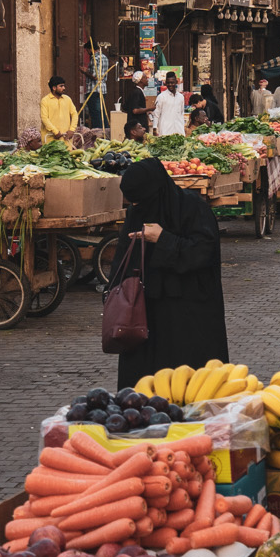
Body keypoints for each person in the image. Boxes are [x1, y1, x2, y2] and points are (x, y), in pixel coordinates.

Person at [111, 159, 229, 388]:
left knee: (190, 382)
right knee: (144, 384)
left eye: (140, 199)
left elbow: (204, 252)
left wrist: (162, 239)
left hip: (187, 312)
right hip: (145, 314)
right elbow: (122, 261)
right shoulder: (137, 212)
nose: (137, 205)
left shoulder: (193, 209)